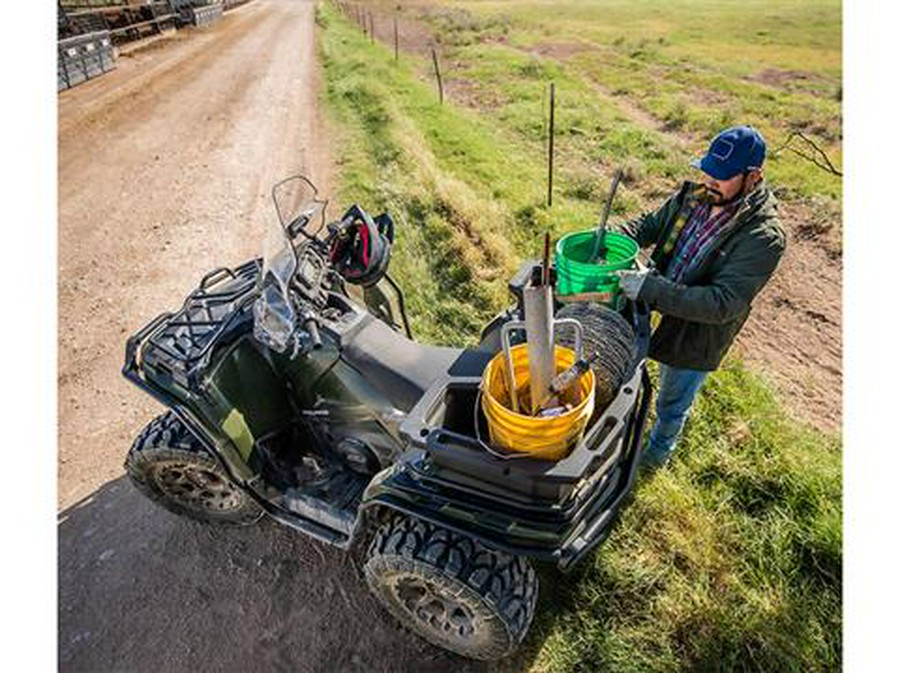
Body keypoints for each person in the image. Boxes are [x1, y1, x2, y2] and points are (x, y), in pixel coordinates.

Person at [613, 125, 786, 469]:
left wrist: (651, 289)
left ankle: (657, 454)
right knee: (625, 367)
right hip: (655, 297)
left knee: (672, 400)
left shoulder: (764, 237)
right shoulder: (695, 196)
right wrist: (614, 237)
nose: (710, 182)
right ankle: (620, 426)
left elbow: (722, 304)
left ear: (754, 177)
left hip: (699, 329)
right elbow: (649, 225)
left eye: (721, 177)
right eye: (708, 172)